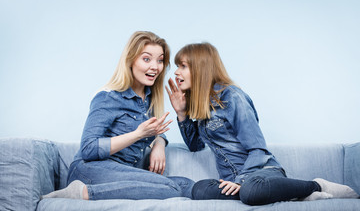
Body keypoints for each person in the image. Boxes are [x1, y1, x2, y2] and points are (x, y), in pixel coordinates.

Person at [165, 42, 359, 205]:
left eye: (182, 66)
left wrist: (242, 181)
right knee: (200, 190)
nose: (176, 72)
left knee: (251, 192)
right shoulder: (203, 106)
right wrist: (182, 113)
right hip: (235, 181)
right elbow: (194, 146)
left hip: (262, 174)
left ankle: (315, 186)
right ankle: (291, 195)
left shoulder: (232, 97)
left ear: (200, 68)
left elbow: (258, 149)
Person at [42, 31, 194, 200]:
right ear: (130, 60)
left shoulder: (149, 99)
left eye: (160, 60)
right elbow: (88, 149)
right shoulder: (108, 97)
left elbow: (153, 130)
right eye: (146, 59)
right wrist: (138, 134)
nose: (155, 66)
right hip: (90, 171)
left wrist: (159, 142)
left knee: (186, 185)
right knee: (170, 188)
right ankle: (81, 193)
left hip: (124, 172)